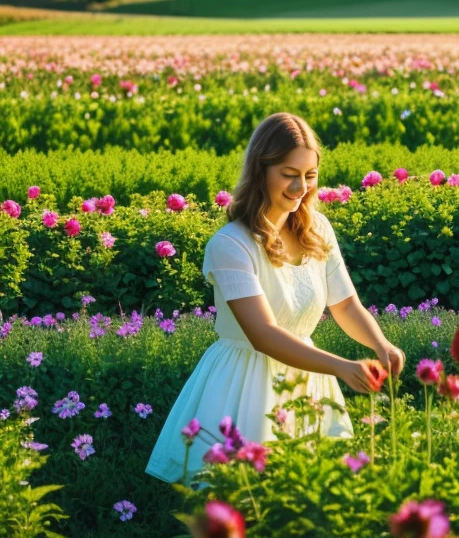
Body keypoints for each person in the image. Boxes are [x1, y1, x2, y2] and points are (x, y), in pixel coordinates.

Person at [146, 112, 405, 484]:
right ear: (261, 171)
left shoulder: (318, 230)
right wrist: (342, 366)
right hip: (244, 384)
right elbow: (263, 334)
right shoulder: (231, 244)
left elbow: (345, 304)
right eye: (289, 174)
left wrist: (382, 345)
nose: (301, 187)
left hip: (310, 381)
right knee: (245, 496)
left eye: (310, 176)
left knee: (313, 498)